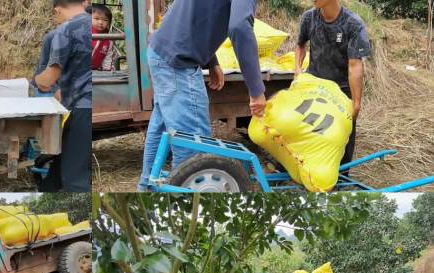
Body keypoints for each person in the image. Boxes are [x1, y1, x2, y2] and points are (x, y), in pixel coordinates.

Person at [138, 0, 267, 191]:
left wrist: (211, 61)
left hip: (161, 52)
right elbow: (239, 26)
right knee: (193, 147)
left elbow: (194, 15)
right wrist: (256, 90)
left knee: (162, 127)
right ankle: (184, 203)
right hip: (178, 61)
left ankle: (146, 187)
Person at [295, 0, 371, 175]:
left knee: (342, 134)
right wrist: (298, 69)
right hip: (314, 85)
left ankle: (341, 175)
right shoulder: (309, 17)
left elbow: (355, 66)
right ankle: (302, 168)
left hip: (341, 89)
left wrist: (356, 102)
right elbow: (300, 45)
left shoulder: (353, 23)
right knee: (308, 127)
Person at [36, 0, 92, 192]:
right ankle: (49, 187)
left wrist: (36, 80)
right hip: (90, 104)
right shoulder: (95, 23)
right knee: (64, 163)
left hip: (81, 107)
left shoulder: (65, 31)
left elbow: (48, 79)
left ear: (57, 9)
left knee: (75, 178)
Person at [91, 4, 114, 71]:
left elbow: (108, 56)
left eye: (105, 20)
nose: (101, 22)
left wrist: (107, 71)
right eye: (96, 18)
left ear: (109, 22)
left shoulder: (109, 40)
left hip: (96, 70)